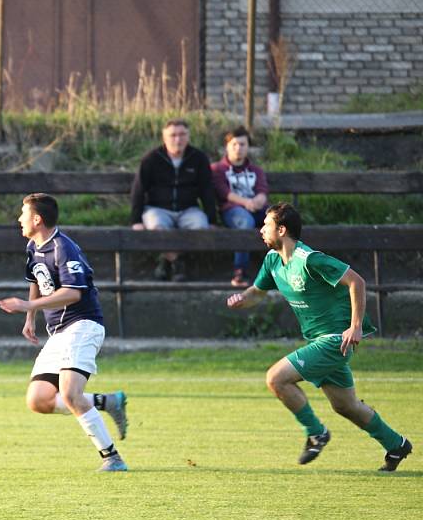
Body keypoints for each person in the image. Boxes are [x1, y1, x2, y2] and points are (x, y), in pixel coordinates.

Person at [227, 203, 412, 471]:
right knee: (346, 406)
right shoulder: (272, 261)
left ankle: (316, 433)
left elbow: (356, 282)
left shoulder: (309, 259)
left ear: (281, 229)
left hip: (337, 339)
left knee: (276, 378)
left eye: (266, 225)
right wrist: (240, 299)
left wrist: (355, 326)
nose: (261, 230)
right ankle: (396, 444)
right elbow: (256, 292)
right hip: (318, 341)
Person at [0, 193, 128, 472]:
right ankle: (109, 402)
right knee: (38, 399)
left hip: (82, 325)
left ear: (37, 219)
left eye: (23, 214)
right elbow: (36, 278)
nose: (19, 219)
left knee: (70, 394)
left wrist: (27, 305)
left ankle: (113, 458)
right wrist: (30, 318)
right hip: (58, 332)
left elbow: (72, 293)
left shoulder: (63, 248)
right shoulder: (34, 246)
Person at [130, 118, 217, 281]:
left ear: (188, 136)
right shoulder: (151, 159)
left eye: (182, 134)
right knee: (156, 227)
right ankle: (178, 262)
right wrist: (136, 220)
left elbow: (207, 190)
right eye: (173, 135)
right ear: (164, 137)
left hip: (188, 209)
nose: (178, 139)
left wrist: (212, 219)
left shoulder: (198, 158)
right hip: (158, 208)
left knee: (200, 227)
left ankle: (166, 260)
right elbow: (138, 190)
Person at [211, 126, 269, 287]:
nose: (238, 148)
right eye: (234, 144)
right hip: (232, 210)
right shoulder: (218, 169)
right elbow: (224, 193)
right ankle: (240, 271)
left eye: (242, 144)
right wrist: (246, 202)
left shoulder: (256, 170)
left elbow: (262, 190)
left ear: (248, 147)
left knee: (280, 221)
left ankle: (287, 268)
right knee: (245, 223)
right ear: (227, 146)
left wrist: (258, 200)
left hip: (256, 208)